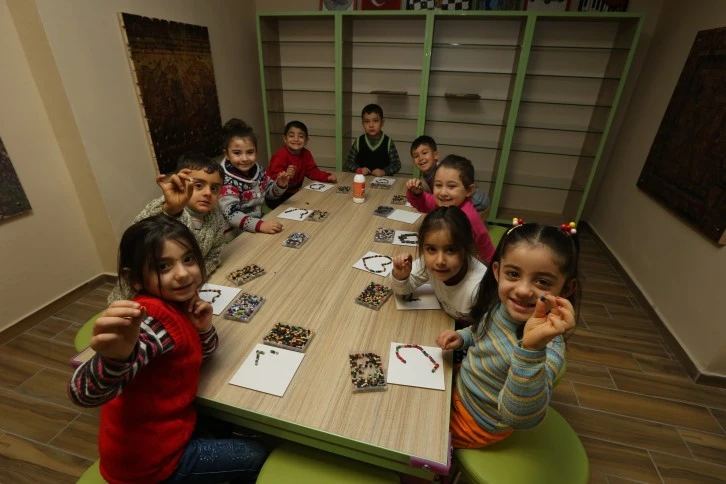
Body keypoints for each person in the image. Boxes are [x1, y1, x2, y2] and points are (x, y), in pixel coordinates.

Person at [68, 215, 267, 483]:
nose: (183, 273)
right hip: (151, 464)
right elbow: (83, 394)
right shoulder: (151, 322)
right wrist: (114, 359)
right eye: (163, 266)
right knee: (256, 454)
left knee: (223, 425)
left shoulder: (179, 304)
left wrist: (202, 329)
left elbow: (202, 354)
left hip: (166, 431)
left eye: (188, 259)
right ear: (134, 278)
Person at [436, 221, 580, 449]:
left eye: (542, 282)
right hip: (462, 386)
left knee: (420, 436)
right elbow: (482, 331)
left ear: (567, 288)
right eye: (513, 274)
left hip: (477, 421)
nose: (522, 290)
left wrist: (531, 350)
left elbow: (519, 418)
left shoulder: (549, 346)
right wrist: (464, 337)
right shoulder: (502, 305)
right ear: (497, 272)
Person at [107, 153, 227, 303]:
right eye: (198, 185)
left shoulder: (216, 217)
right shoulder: (168, 206)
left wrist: (196, 278)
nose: (208, 193)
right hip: (138, 299)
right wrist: (169, 210)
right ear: (182, 183)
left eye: (214, 188)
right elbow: (137, 235)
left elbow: (214, 255)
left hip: (179, 292)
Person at [390, 206, 486, 330]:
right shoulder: (427, 263)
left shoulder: (479, 289)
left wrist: (463, 337)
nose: (440, 261)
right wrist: (401, 276)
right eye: (431, 249)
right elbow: (403, 290)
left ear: (467, 248)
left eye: (451, 250)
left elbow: (490, 333)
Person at [406, 154, 495, 264]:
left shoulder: (470, 217)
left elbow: (485, 244)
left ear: (469, 191)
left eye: (451, 186)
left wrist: (493, 267)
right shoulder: (441, 202)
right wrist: (416, 193)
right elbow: (424, 202)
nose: (443, 193)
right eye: (438, 185)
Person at [218, 118, 290, 235]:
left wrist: (279, 185)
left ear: (256, 152)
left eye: (250, 152)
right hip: (236, 235)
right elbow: (232, 214)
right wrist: (260, 225)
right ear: (227, 154)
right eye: (237, 153)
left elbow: (270, 195)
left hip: (259, 225)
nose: (245, 158)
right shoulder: (224, 180)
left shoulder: (259, 170)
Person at [267, 120, 337, 209]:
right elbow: (272, 178)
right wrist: (285, 175)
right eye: (291, 136)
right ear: (285, 138)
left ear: (306, 140)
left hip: (293, 193)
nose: (296, 139)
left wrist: (327, 177)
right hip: (277, 196)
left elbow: (312, 171)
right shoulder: (280, 155)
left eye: (301, 136)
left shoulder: (306, 153)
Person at [410, 135, 490, 213]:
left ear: (435, 155)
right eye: (416, 156)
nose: (421, 158)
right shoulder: (425, 177)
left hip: (478, 204)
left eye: (424, 153)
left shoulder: (444, 171)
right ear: (413, 161)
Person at [344, 104, 400, 176]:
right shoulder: (358, 141)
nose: (371, 125)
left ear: (382, 123)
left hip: (383, 181)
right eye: (367, 121)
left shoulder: (388, 142)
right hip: (362, 180)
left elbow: (396, 164)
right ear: (362, 124)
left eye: (375, 121)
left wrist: (384, 172)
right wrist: (359, 169)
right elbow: (348, 162)